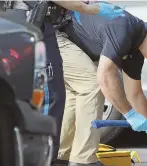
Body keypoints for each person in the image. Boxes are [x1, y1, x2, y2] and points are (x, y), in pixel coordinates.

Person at [56, 3, 147, 166]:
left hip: (67, 41)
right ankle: (83, 160)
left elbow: (135, 95)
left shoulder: (136, 50)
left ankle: (59, 156)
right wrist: (130, 115)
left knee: (78, 94)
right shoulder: (124, 29)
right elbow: (105, 77)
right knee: (92, 85)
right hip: (55, 36)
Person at [2, 1, 125, 166]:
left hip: (43, 25)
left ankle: (58, 156)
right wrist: (90, 8)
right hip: (32, 22)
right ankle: (51, 158)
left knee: (58, 95)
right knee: (51, 96)